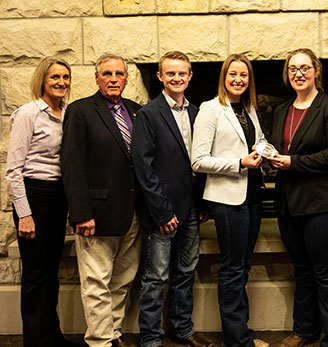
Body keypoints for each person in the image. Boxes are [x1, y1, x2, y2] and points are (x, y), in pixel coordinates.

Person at [268, 48, 328, 347]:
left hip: (323, 206)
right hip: (289, 205)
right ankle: (304, 330)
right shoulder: (281, 110)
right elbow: (280, 149)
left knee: (326, 273)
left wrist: (292, 162)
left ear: (316, 71)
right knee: (302, 271)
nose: (298, 74)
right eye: (292, 69)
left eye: (304, 68)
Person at [60, 54, 142, 347]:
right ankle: (98, 341)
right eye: (107, 73)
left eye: (119, 74)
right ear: (97, 78)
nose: (113, 79)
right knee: (96, 282)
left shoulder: (136, 110)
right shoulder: (81, 111)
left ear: (126, 78)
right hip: (96, 212)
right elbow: (72, 164)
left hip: (133, 212)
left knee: (122, 279)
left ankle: (113, 333)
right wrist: (81, 212)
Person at [132, 51, 212, 347]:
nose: (177, 78)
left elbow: (201, 161)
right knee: (157, 277)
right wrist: (161, 212)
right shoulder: (148, 114)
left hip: (192, 207)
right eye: (171, 74)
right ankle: (151, 338)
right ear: (160, 77)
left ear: (190, 77)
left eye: (182, 74)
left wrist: (202, 204)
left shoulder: (198, 113)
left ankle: (182, 328)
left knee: (186, 271)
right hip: (163, 211)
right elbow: (144, 168)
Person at [191, 53, 268, 347]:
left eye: (244, 75)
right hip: (226, 200)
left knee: (244, 265)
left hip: (252, 196)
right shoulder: (211, 109)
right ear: (224, 77)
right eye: (233, 74)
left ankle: (242, 333)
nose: (238, 80)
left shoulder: (248, 108)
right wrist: (239, 162)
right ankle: (236, 340)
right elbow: (197, 160)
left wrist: (264, 152)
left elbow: (257, 141)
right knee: (233, 268)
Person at [5, 57, 76, 347]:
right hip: (34, 197)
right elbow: (13, 170)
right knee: (35, 274)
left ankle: (53, 337)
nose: (61, 83)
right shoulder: (28, 113)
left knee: (51, 271)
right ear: (42, 81)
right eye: (54, 78)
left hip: (58, 198)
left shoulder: (68, 113)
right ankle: (36, 341)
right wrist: (24, 214)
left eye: (65, 77)